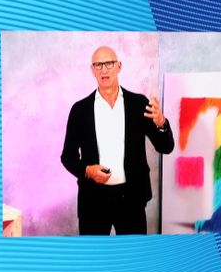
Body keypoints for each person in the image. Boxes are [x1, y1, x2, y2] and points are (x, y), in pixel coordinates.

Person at [61, 46, 174, 235]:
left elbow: (166, 147)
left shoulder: (138, 104)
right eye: (98, 65)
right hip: (93, 201)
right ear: (92, 70)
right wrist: (87, 171)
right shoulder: (79, 110)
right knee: (94, 261)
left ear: (119, 66)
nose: (104, 70)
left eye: (109, 64)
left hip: (131, 200)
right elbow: (67, 157)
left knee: (134, 260)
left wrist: (161, 123)